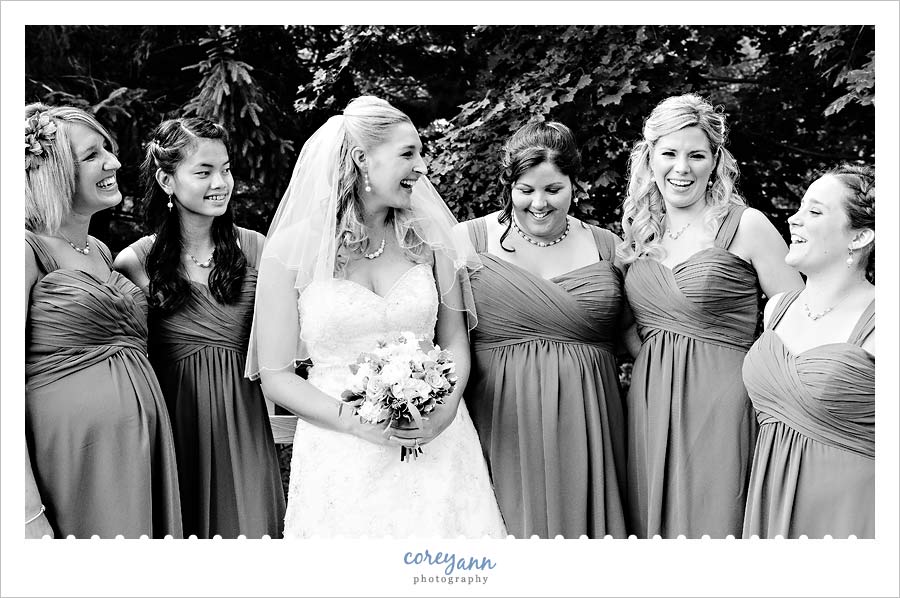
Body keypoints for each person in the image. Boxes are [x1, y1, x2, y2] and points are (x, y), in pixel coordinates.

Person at [246, 96, 506, 538]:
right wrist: (360, 424)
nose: (422, 166)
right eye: (408, 153)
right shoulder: (291, 251)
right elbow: (277, 376)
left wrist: (441, 417)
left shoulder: (430, 243)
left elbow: (456, 344)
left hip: (437, 441)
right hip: (340, 450)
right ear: (362, 160)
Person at [618, 94, 804, 538]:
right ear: (649, 158)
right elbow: (629, 322)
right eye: (670, 154)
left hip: (727, 401)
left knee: (715, 522)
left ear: (715, 159)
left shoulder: (748, 225)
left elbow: (798, 317)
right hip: (650, 403)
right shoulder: (640, 230)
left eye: (696, 154)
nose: (682, 168)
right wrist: (655, 364)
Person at [115, 117, 285, 539]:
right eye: (204, 171)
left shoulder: (257, 248)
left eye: (225, 168)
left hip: (245, 422)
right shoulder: (134, 262)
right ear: (166, 179)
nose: (221, 182)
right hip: (174, 425)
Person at [461, 121, 628, 538]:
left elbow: (637, 334)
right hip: (501, 419)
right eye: (525, 190)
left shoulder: (609, 246)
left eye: (553, 190)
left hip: (590, 420)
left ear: (574, 184)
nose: (539, 203)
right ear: (509, 186)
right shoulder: (468, 240)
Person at [24, 103, 182, 539]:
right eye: (92, 155)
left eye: (108, 150)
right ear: (50, 172)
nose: (113, 161)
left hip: (138, 451)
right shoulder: (23, 250)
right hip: (71, 459)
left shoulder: (99, 250)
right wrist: (24, 508)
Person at [742, 165, 875, 538]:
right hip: (772, 492)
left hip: (851, 510)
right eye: (800, 207)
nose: (794, 219)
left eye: (814, 212)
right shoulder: (776, 309)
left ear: (860, 236)